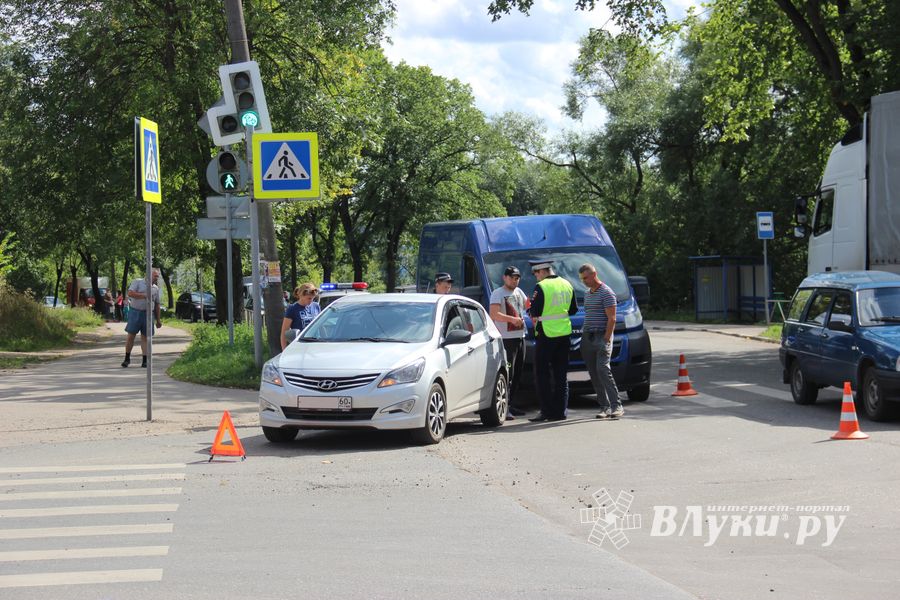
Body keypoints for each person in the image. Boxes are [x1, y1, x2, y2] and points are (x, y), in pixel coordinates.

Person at [527, 259, 577, 422]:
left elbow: (534, 311)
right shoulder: (567, 284)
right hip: (564, 334)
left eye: (535, 273)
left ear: (541, 271)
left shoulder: (541, 287)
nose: (535, 276)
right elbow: (573, 309)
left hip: (546, 335)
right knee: (561, 374)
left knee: (542, 374)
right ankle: (560, 411)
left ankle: (547, 411)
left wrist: (530, 310)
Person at [578, 263, 623, 419]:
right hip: (587, 336)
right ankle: (604, 407)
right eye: (582, 278)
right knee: (594, 373)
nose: (584, 281)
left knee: (603, 370)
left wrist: (606, 339)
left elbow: (612, 318)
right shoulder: (587, 293)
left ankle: (617, 406)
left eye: (586, 277)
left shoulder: (607, 292)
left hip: (601, 336)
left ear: (594, 274)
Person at [489, 266, 530, 420]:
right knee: (509, 374)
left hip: (520, 336)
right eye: (512, 277)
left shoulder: (519, 292)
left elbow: (528, 306)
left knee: (518, 372)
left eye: (517, 277)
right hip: (506, 339)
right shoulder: (498, 293)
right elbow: (494, 314)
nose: (515, 280)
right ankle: (503, 407)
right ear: (504, 278)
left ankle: (511, 404)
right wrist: (512, 319)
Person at [122, 269, 162, 368]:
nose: (157, 278)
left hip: (148, 314)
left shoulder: (155, 288)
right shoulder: (138, 282)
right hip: (135, 312)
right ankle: (127, 358)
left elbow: (157, 304)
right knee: (131, 336)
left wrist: (158, 319)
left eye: (157, 276)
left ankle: (145, 360)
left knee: (146, 337)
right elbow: (130, 293)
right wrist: (144, 295)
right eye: (155, 276)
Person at [281, 282, 321, 350]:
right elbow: (284, 332)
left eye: (313, 298)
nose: (311, 301)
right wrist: (284, 350)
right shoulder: (292, 309)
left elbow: (321, 326)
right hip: (300, 346)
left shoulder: (316, 306)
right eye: (309, 298)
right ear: (301, 295)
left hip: (316, 344)